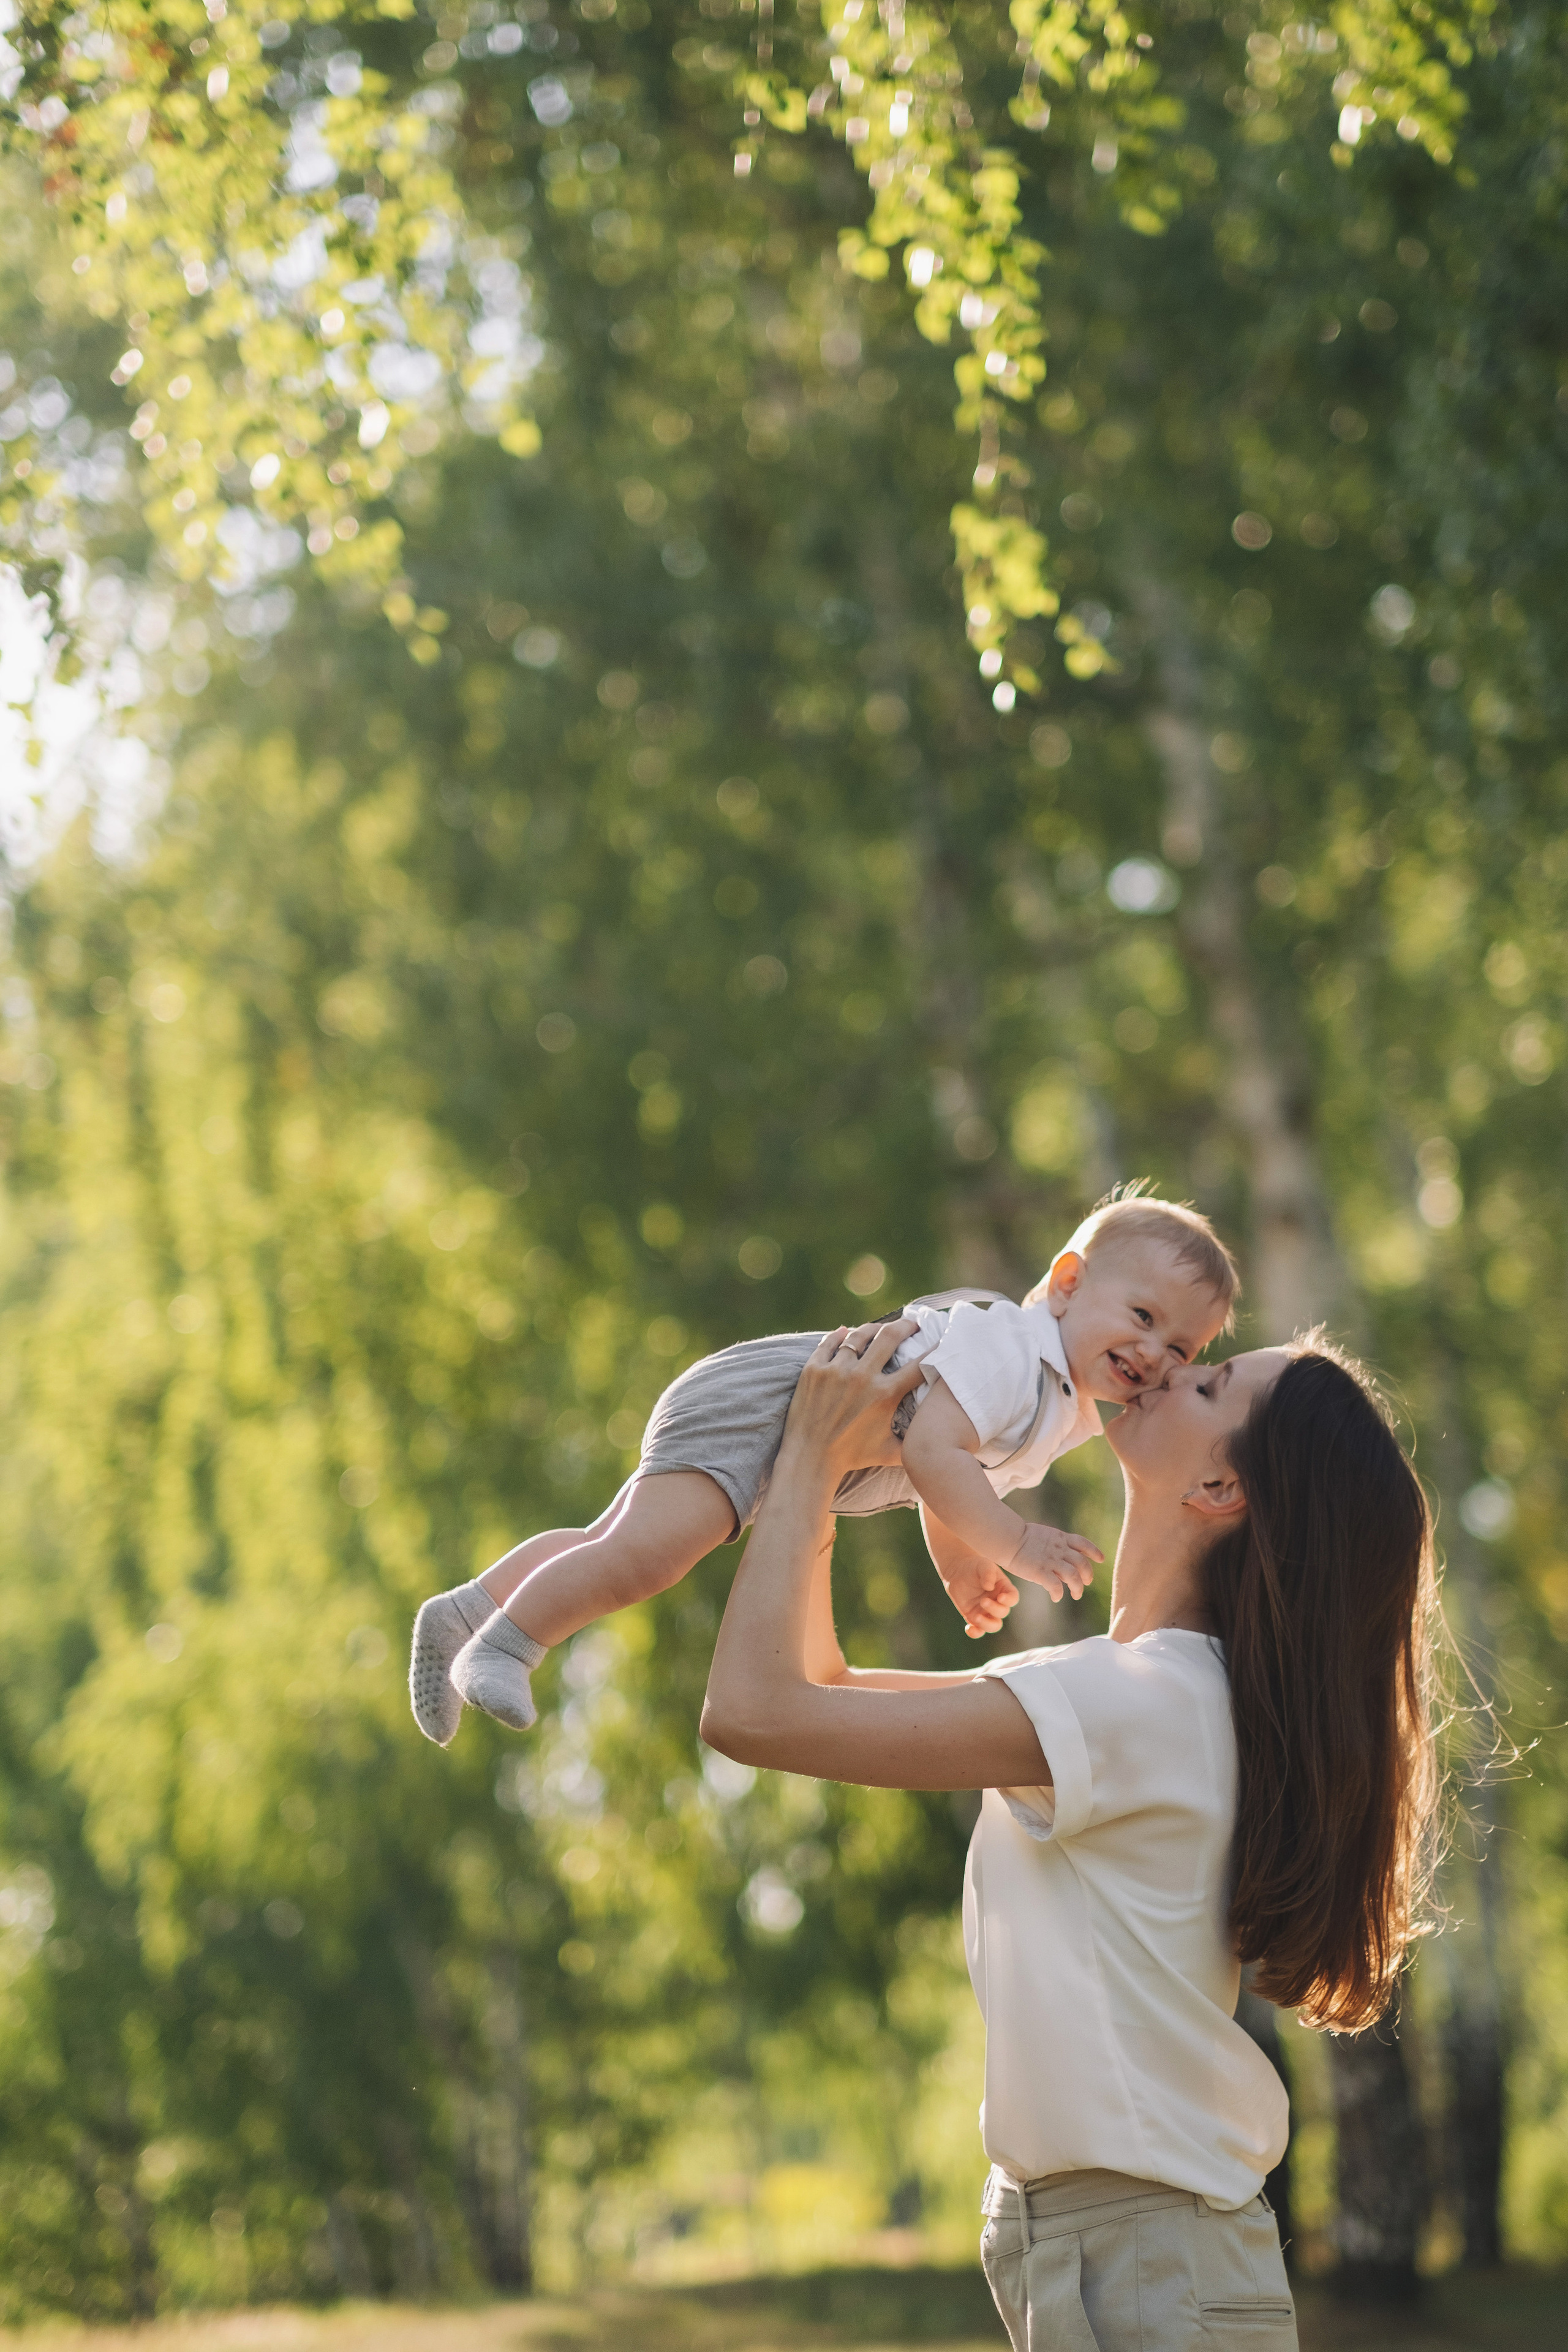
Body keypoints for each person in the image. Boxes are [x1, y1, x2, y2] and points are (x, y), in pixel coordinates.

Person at [699, 1317, 1439, 2352]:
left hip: (1152, 2257)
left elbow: (752, 1711)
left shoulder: (1137, 1701)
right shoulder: (1133, 1689)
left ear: (1221, 1491)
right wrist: (830, 1475)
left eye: (1211, 1383)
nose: (1171, 1367)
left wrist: (809, 1456)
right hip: (1116, 2251)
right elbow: (817, 1687)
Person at [409, 1191, 1238, 1744]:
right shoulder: (1012, 1346)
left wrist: (961, 1563)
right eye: (1140, 1316)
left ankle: (467, 1611)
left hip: (807, 1428)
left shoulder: (1060, 1408)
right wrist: (1013, 1545)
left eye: (1182, 1347)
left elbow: (947, 1481)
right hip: (775, 1402)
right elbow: (931, 1450)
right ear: (1065, 1284)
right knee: (653, 1553)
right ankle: (510, 1646)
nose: (1152, 1353)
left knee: (615, 1535)